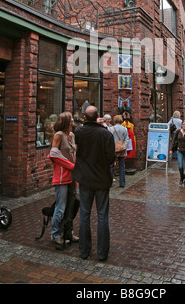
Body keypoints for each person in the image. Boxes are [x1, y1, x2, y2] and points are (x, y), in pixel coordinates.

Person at [73, 105, 115, 261]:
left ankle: (84, 251)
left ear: (84, 117)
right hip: (102, 180)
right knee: (102, 215)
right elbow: (111, 157)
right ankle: (102, 253)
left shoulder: (79, 132)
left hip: (85, 179)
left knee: (84, 215)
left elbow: (75, 150)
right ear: (98, 116)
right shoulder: (105, 134)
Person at [48, 112, 78, 249]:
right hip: (61, 176)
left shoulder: (72, 136)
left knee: (71, 206)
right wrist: (72, 166)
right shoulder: (58, 135)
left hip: (72, 176)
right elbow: (53, 154)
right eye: (71, 118)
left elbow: (74, 154)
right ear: (66, 121)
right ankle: (55, 234)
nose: (73, 119)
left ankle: (68, 232)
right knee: (60, 207)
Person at [110, 115, 129, 188]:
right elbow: (127, 139)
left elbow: (109, 139)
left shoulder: (111, 129)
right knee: (122, 166)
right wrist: (124, 147)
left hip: (113, 149)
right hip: (122, 149)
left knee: (111, 166)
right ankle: (122, 183)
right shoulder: (124, 129)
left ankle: (110, 182)